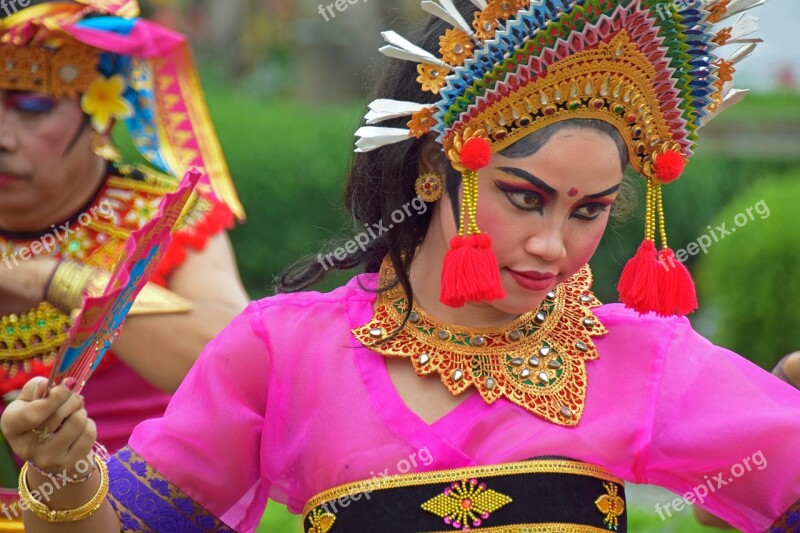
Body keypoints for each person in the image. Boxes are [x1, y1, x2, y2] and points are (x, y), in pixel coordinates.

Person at [2, 0, 800, 531]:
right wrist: (68, 473)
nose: (556, 245)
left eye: (588, 210)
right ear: (433, 172)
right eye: (525, 198)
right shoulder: (285, 350)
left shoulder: (641, 357)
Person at [0, 0, 248, 498]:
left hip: (141, 513)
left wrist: (53, 279)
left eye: (32, 107)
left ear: (101, 114)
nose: (3, 137)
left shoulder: (165, 217)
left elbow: (236, 368)